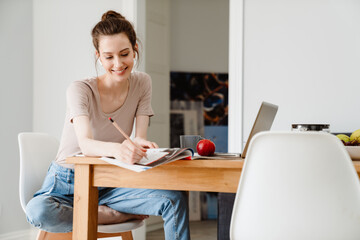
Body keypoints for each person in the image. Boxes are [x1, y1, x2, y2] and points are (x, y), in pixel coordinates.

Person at [25, 10, 190, 240]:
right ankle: (110, 215)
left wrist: (140, 144)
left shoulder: (143, 82)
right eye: (109, 57)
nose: (118, 64)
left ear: (135, 50)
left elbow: (138, 137)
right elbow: (86, 144)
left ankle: (101, 212)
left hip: (111, 182)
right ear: (98, 57)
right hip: (67, 183)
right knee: (38, 211)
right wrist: (119, 149)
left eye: (124, 54)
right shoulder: (80, 89)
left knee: (174, 200)